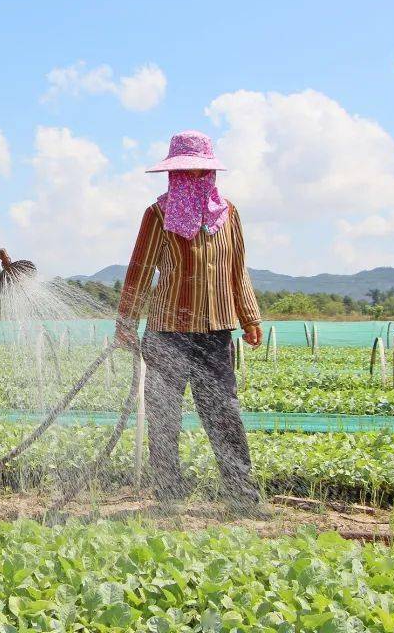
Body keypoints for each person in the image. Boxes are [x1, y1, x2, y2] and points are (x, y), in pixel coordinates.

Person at [114, 130, 263, 510]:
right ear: (173, 175)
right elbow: (140, 271)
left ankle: (242, 496)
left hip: (215, 332)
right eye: (184, 172)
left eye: (199, 171)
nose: (192, 178)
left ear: (209, 173)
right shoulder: (158, 215)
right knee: (164, 415)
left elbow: (236, 269)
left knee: (224, 411)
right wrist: (127, 322)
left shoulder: (228, 214)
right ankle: (168, 493)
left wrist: (249, 316)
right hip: (167, 334)